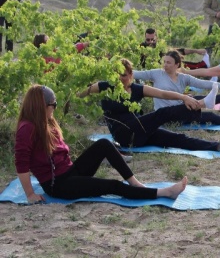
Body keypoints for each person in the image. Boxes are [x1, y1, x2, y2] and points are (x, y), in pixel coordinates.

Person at [14, 84, 188, 203]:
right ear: (41, 106)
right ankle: (165, 193)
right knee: (111, 185)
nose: (55, 108)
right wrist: (30, 194)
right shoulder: (27, 128)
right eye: (53, 105)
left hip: (70, 171)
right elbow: (21, 164)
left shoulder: (46, 122)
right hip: (58, 185)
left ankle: (135, 183)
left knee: (104, 143)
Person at [79, 58, 220, 153]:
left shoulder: (136, 89)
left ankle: (218, 147)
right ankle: (203, 103)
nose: (122, 78)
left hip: (139, 130)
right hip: (123, 135)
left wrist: (184, 97)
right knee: (161, 113)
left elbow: (162, 93)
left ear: (131, 75)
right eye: (120, 75)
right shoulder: (105, 86)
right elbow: (81, 93)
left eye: (126, 75)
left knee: (175, 138)